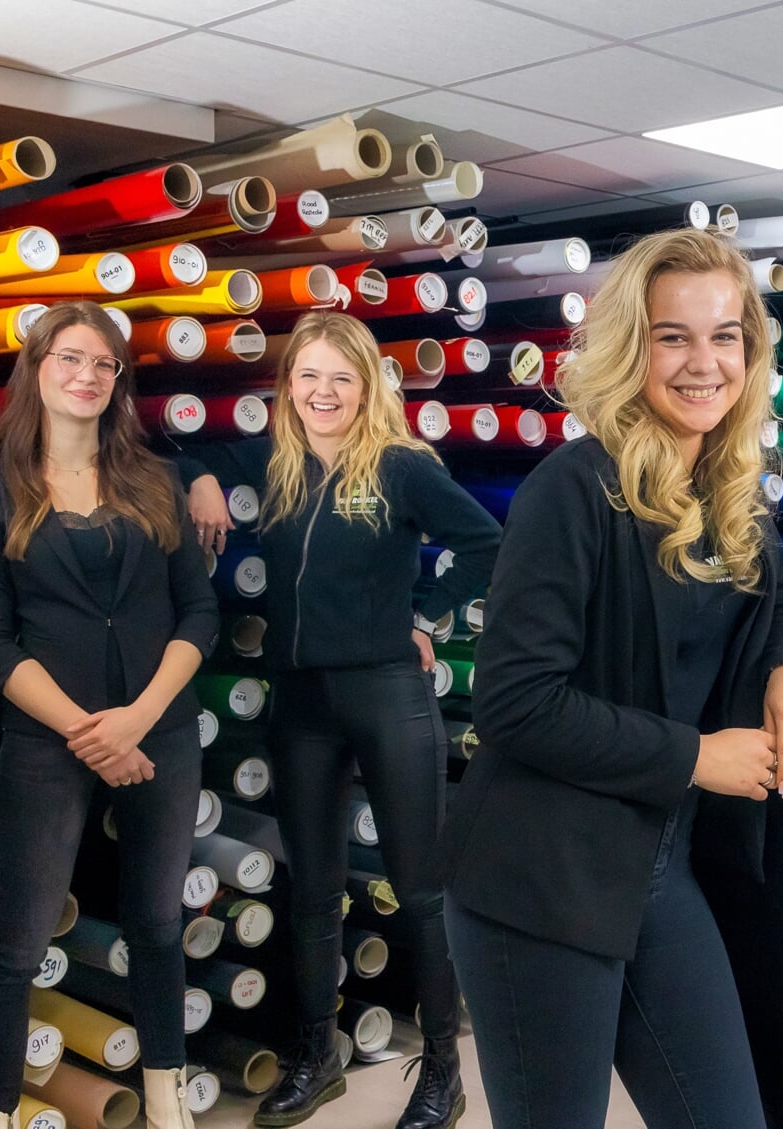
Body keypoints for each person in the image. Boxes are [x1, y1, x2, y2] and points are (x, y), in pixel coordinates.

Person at [439, 228, 783, 1129]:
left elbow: (780, 603)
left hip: (660, 869)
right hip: (541, 878)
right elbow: (515, 701)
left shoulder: (730, 488)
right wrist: (696, 755)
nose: (703, 362)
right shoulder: (572, 490)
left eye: (724, 335)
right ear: (631, 347)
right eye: (673, 336)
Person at [182, 312, 500, 1129]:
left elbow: (486, 541)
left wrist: (426, 618)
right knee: (313, 889)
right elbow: (191, 451)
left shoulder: (398, 466)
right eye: (308, 376)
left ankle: (442, 1072)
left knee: (423, 890)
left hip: (388, 693)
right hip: (301, 702)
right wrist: (202, 478)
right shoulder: (277, 462)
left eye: (341, 378)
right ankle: (317, 1056)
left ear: (366, 388)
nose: (322, 392)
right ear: (289, 385)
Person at [0, 302, 217, 1129]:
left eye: (105, 365)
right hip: (49, 741)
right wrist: (94, 735)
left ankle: (169, 1105)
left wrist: (137, 718)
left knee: (156, 924)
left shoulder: (156, 480)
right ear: (36, 369)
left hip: (160, 728)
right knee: (16, 944)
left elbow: (199, 615)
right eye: (72, 359)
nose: (88, 376)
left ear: (119, 381)